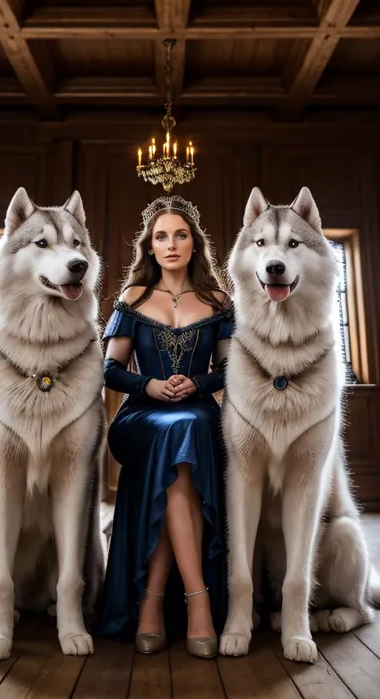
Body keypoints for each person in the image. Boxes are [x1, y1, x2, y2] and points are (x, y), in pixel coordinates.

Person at [95, 195, 234, 659]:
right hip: (140, 417)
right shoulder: (132, 298)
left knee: (188, 434)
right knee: (181, 433)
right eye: (161, 236)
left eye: (180, 234)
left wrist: (196, 383)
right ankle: (200, 602)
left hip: (197, 413)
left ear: (195, 245)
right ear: (149, 247)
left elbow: (231, 370)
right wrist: (150, 384)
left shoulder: (218, 301)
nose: (170, 243)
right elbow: (109, 370)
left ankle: (154, 601)